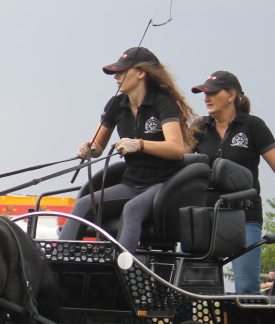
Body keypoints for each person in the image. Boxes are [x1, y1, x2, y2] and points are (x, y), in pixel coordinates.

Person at [58, 46, 197, 251]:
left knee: (132, 209)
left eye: (122, 71)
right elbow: (98, 147)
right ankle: (61, 262)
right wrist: (88, 148)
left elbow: (176, 148)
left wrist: (139, 144)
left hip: (164, 185)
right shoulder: (117, 104)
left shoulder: (161, 103)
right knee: (84, 203)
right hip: (132, 183)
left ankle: (123, 269)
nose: (117, 76)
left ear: (141, 73)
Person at [191, 70, 275, 294]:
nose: (206, 98)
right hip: (205, 216)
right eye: (203, 93)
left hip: (244, 216)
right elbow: (180, 166)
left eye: (212, 93)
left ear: (231, 95)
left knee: (246, 288)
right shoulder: (199, 128)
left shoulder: (253, 126)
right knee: (191, 286)